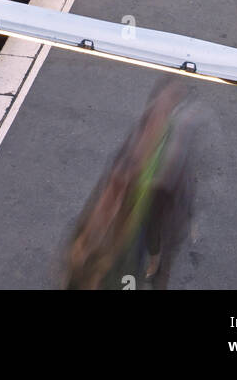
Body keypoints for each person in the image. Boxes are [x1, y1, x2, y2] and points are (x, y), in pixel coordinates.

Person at [61, 81, 201, 290]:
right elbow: (107, 195)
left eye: (165, 109)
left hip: (150, 214)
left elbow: (179, 199)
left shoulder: (176, 149)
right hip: (127, 222)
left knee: (151, 246)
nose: (155, 118)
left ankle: (154, 262)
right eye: (156, 109)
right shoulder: (134, 147)